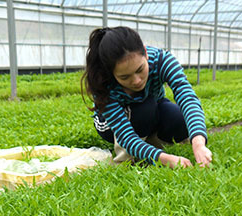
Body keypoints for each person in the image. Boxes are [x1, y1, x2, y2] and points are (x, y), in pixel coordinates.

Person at [82, 27, 213, 168]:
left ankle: (146, 145)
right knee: (145, 107)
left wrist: (198, 142)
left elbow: (187, 97)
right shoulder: (103, 82)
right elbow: (126, 136)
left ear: (145, 53)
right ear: (111, 72)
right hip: (110, 126)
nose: (137, 81)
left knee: (179, 120)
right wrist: (163, 158)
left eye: (140, 70)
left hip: (151, 108)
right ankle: (134, 155)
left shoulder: (161, 60)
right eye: (124, 77)